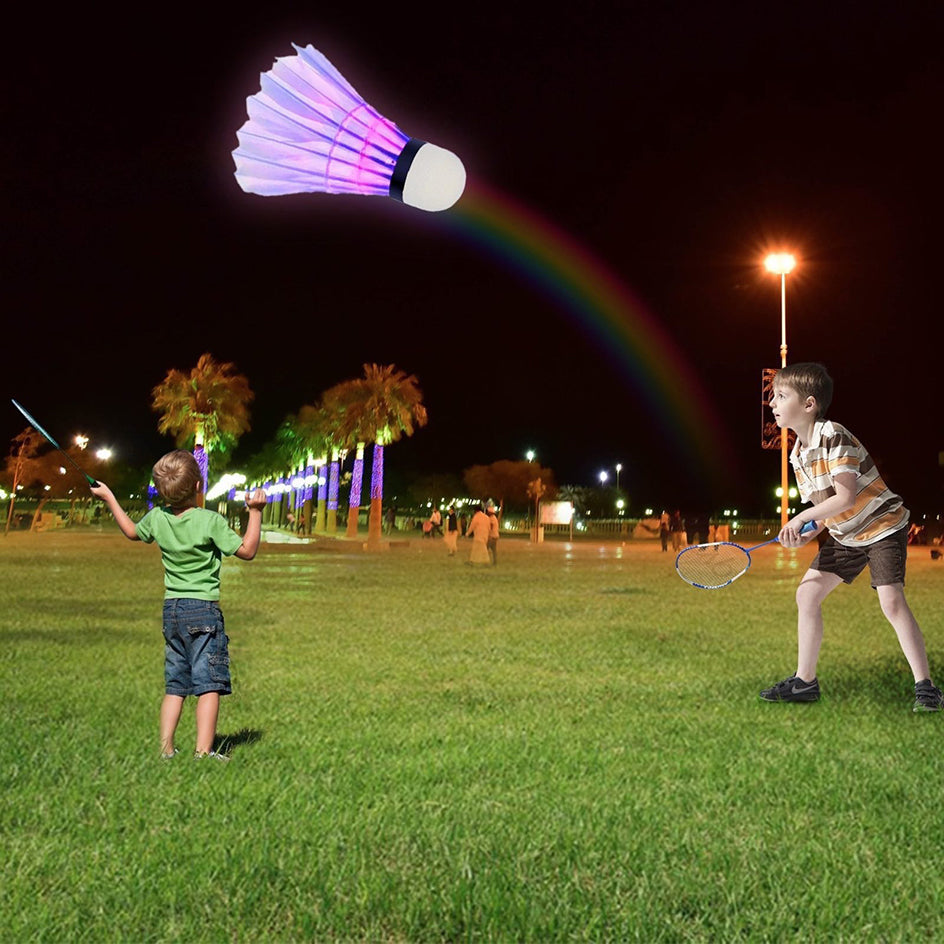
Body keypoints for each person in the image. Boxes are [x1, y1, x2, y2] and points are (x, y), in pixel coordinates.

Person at [759, 363, 942, 712]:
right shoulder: (798, 455)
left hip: (882, 526)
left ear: (809, 404)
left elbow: (844, 498)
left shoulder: (834, 435)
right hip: (847, 535)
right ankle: (805, 682)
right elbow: (826, 512)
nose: (772, 403)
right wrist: (804, 533)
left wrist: (798, 518)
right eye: (773, 397)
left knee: (890, 601)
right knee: (807, 593)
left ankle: (927, 687)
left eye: (781, 396)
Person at [90, 450, 267, 759]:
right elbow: (248, 550)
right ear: (198, 486)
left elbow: (132, 532)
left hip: (172, 611)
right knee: (209, 684)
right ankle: (203, 752)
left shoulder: (157, 518)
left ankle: (166, 750)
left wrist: (110, 498)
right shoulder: (209, 520)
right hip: (203, 610)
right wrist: (255, 511)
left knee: (175, 684)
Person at [486, 501, 500, 566]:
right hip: (495, 536)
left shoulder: (491, 519)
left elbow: (490, 527)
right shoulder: (495, 518)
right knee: (494, 550)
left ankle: (485, 561)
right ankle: (495, 562)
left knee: (486, 549)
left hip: (492, 536)